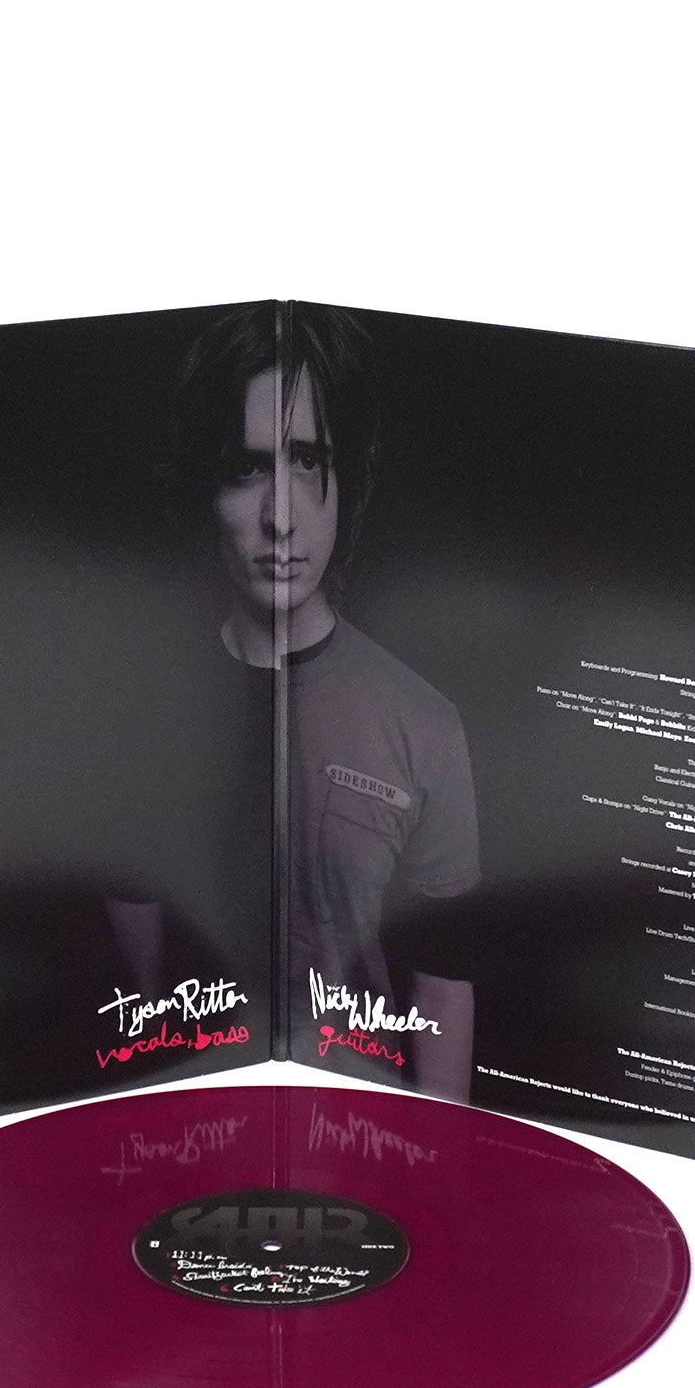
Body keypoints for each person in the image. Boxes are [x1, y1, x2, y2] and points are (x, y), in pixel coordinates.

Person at [115, 303, 480, 1098]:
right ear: (204, 488)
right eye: (245, 469)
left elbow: (444, 985)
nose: (280, 517)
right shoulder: (140, 716)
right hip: (187, 1111)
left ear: (350, 479)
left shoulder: (423, 724)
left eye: (308, 460)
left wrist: (442, 1156)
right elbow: (129, 969)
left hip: (358, 1117)